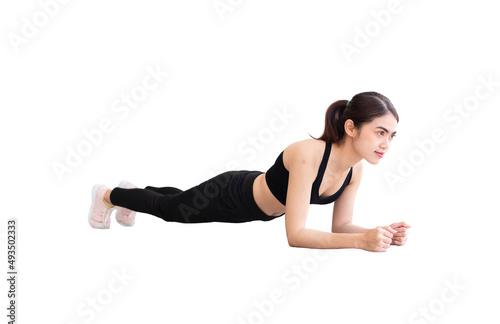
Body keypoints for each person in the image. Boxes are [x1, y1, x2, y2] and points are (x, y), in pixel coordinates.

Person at [88, 91, 410, 252]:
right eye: (380, 132)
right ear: (351, 127)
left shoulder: (354, 172)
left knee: (181, 199)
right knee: (175, 211)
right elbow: (295, 236)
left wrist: (377, 233)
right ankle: (108, 195)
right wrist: (360, 243)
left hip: (256, 209)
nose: (386, 143)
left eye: (391, 135)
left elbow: (341, 226)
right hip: (234, 194)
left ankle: (132, 193)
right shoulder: (308, 156)